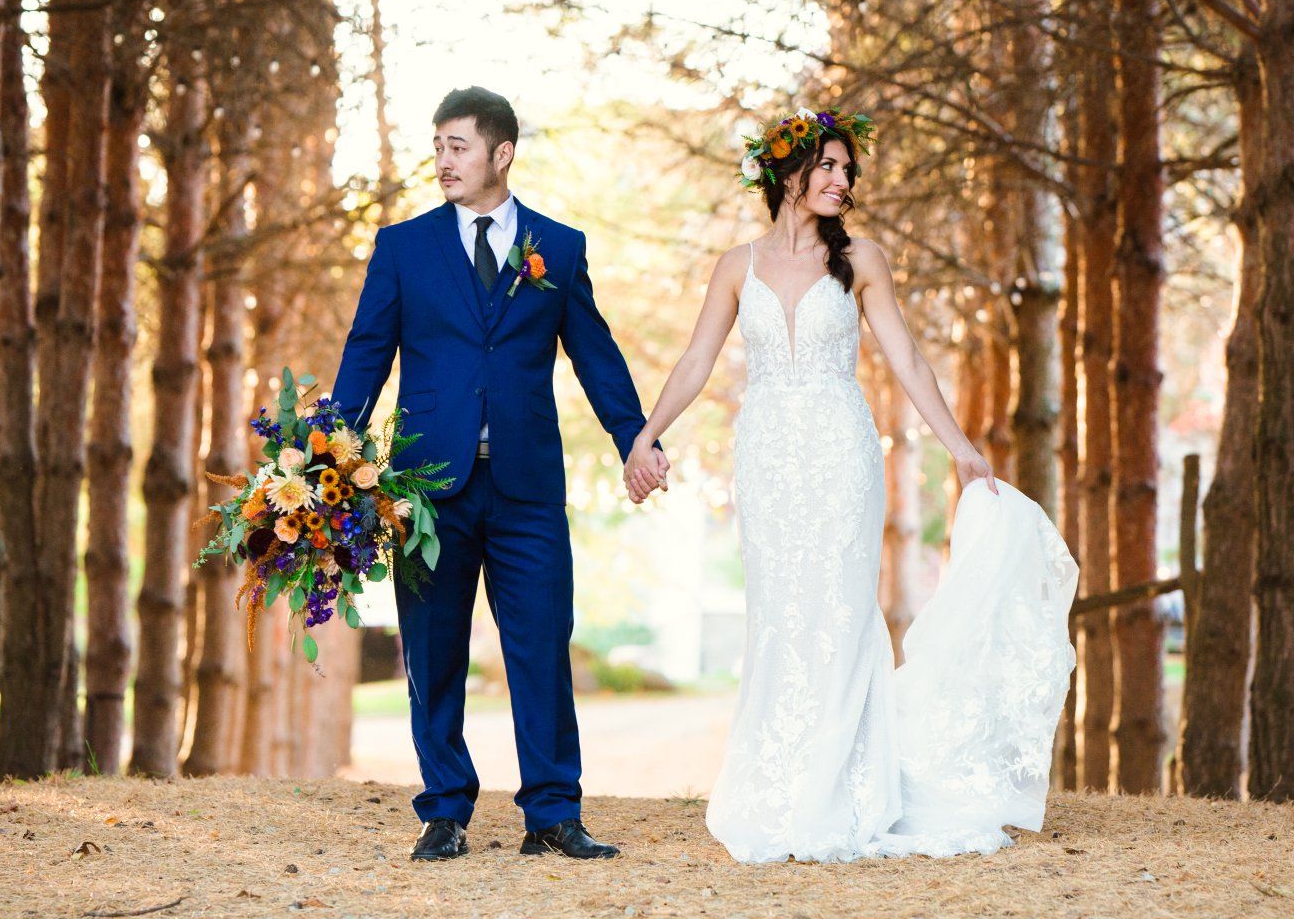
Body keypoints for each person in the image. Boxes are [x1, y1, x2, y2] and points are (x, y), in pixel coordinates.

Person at [625, 106, 1078, 863]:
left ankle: (845, 790)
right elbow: (696, 361)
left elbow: (908, 360)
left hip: (842, 453)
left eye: (846, 169)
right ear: (786, 174)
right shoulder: (737, 266)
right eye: (827, 167)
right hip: (768, 458)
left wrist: (961, 448)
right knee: (779, 612)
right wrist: (647, 433)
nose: (841, 180)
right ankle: (781, 783)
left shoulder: (862, 259)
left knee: (840, 610)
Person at [330, 86, 667, 861]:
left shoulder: (559, 246)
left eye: (457, 146)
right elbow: (365, 355)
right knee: (434, 653)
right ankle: (444, 811)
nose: (442, 160)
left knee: (542, 647)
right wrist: (332, 456)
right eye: (438, 145)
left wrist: (634, 439)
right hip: (424, 493)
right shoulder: (402, 248)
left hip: (528, 491)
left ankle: (553, 814)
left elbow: (595, 354)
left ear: (501, 153)